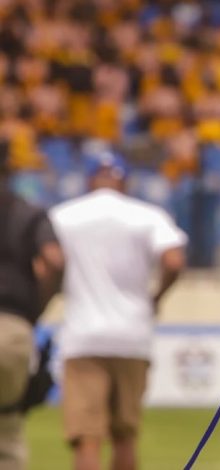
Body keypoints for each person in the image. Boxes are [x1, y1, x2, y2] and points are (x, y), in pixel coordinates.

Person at [50, 151, 187, 470]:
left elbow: (49, 261)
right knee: (125, 437)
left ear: (89, 180)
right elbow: (174, 261)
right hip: (132, 335)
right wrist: (156, 297)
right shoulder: (148, 215)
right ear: (125, 181)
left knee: (87, 439)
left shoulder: (63, 216)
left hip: (83, 335)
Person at [0, 140, 65, 469]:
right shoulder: (28, 211)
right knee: (7, 428)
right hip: (12, 327)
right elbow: (55, 261)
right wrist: (35, 308)